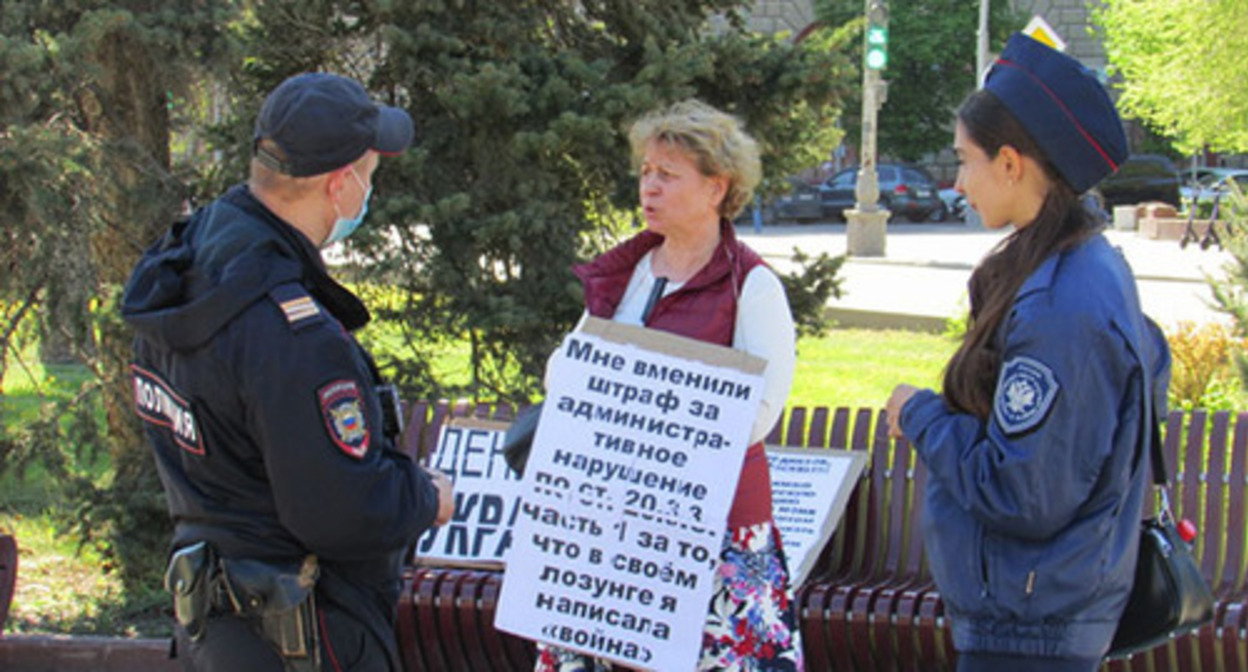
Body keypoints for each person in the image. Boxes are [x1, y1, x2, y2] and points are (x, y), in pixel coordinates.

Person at [121, 72, 454, 672]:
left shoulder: (184, 270)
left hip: (217, 622)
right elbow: (340, 511)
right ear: (339, 184)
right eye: (370, 174)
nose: (369, 188)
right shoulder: (291, 334)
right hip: (302, 633)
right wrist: (426, 498)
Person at [884, 34, 1171, 672]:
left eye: (965, 160)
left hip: (1030, 628)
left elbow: (1024, 493)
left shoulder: (1062, 304)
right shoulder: (1081, 267)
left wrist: (921, 416)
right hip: (1037, 614)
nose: (958, 183)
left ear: (1011, 163)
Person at [535, 99, 801, 671]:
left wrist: (645, 394)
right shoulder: (627, 272)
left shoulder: (752, 287)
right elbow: (564, 373)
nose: (648, 188)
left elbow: (758, 415)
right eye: (645, 173)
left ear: (715, 188)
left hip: (718, 531)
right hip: (616, 526)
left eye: (668, 175)